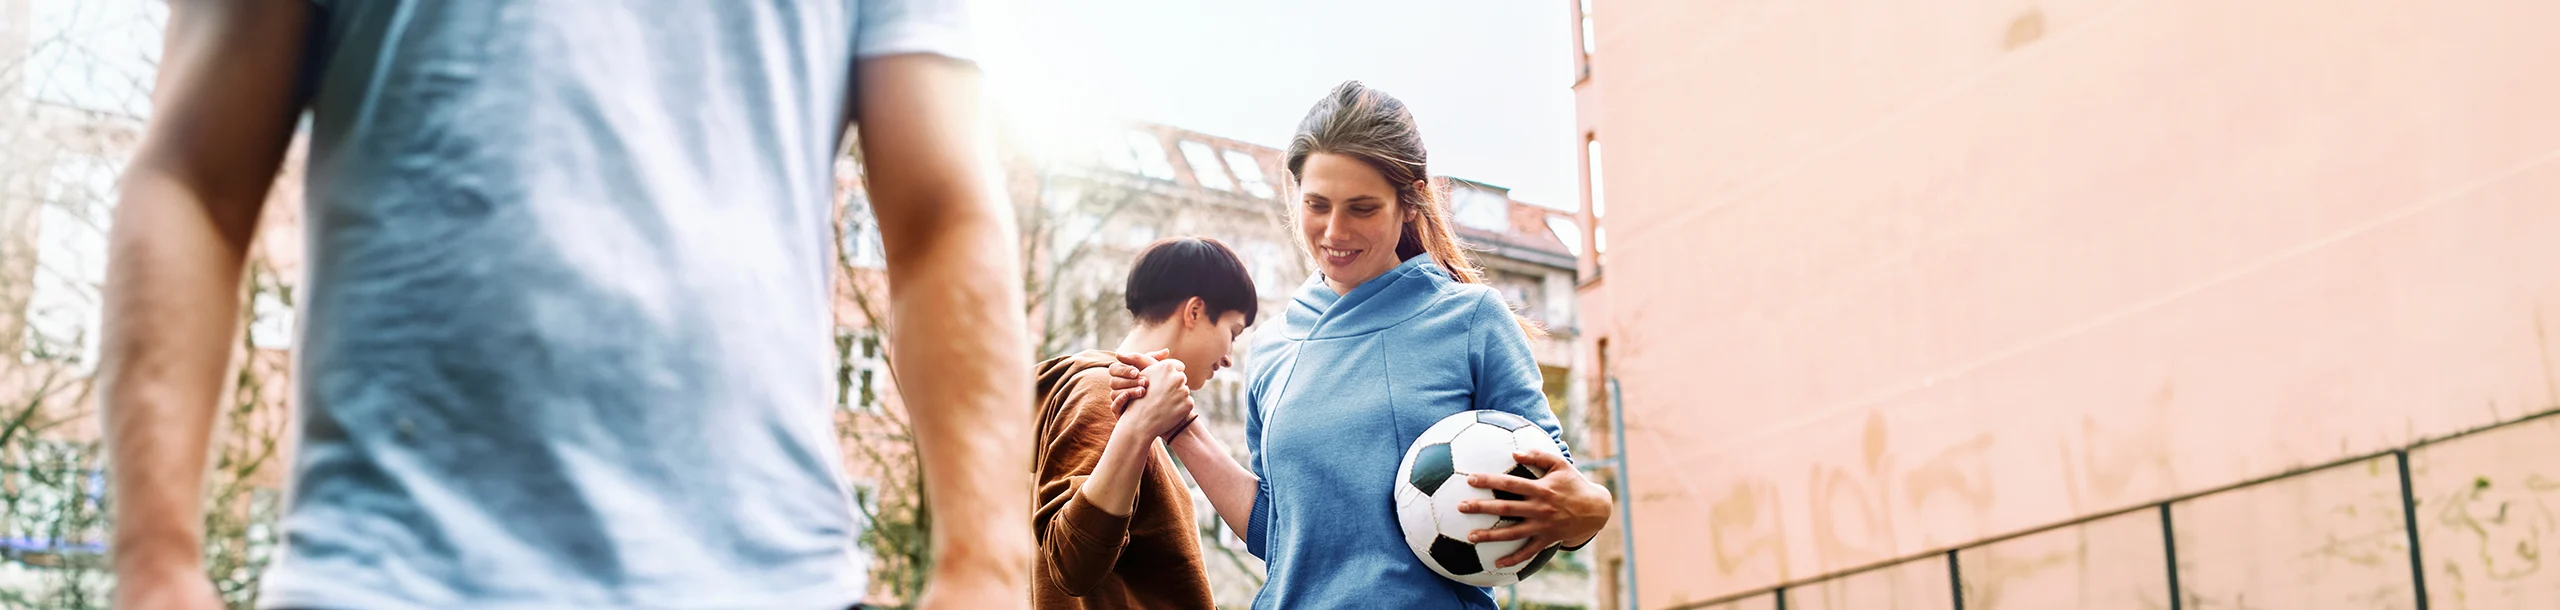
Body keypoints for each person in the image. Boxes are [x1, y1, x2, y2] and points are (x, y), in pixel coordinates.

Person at [98, 1, 1065, 608]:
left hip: (770, 582)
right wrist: (154, 565)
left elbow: (941, 220)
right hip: (384, 578)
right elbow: (193, 179)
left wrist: (983, 569)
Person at [1156, 81, 1616, 609]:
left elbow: (1553, 493)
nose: (1334, 230)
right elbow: (1279, 537)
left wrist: (1592, 509)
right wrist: (1183, 429)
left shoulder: (1471, 319)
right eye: (1317, 204)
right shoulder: (1272, 348)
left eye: (1362, 208)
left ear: (1410, 202)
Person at [1030, 237, 1258, 609]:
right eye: (1232, 333)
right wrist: (1135, 431)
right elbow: (1071, 564)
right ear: (1195, 311)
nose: (1230, 357)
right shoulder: (1104, 395)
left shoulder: (1134, 406)